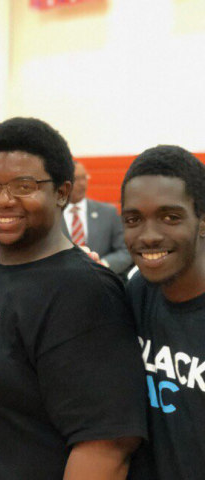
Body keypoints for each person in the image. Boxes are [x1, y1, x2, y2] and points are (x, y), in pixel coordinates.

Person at [0, 117, 147, 479]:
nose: (3, 200)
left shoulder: (83, 291)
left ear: (61, 191)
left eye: (24, 185)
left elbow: (107, 446)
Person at [120, 145, 205, 480]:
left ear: (202, 221)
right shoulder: (136, 293)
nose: (149, 236)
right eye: (133, 219)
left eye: (171, 218)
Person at [63, 160, 132, 274]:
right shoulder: (52, 215)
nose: (82, 184)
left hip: (102, 280)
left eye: (84, 178)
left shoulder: (108, 212)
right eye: (76, 179)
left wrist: (102, 265)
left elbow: (125, 250)